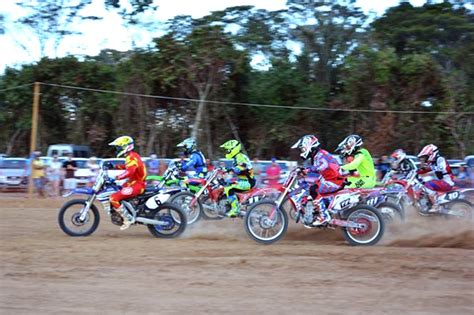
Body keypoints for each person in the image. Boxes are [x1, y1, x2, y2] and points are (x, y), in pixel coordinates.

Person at [291, 135, 344, 225]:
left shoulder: (320, 154)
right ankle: (315, 210)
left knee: (314, 189)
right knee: (308, 186)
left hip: (334, 181)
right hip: (330, 179)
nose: (302, 151)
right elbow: (319, 171)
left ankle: (323, 216)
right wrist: (304, 173)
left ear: (309, 145)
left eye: (303, 148)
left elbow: (323, 165)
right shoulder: (316, 155)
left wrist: (308, 170)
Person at [108, 136, 147, 230]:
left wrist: (117, 177)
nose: (117, 149)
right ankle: (128, 210)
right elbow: (127, 167)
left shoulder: (131, 157)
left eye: (118, 147)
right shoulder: (132, 155)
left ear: (125, 146)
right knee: (117, 189)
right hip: (133, 183)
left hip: (137, 185)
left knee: (113, 198)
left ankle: (127, 218)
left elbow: (130, 171)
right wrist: (115, 166)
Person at [219, 140, 255, 217]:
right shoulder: (237, 157)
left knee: (229, 187)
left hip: (247, 181)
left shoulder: (240, 157)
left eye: (228, 149)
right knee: (226, 182)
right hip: (242, 180)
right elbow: (234, 171)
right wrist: (224, 171)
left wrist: (230, 169)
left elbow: (242, 167)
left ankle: (235, 209)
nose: (227, 151)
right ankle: (229, 203)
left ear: (234, 149)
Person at [417, 144, 455, 213]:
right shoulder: (433, 162)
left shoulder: (440, 159)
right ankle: (428, 204)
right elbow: (425, 170)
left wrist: (428, 169)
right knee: (422, 184)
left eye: (426, 156)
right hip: (443, 181)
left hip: (447, 182)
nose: (425, 159)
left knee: (428, 185)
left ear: (431, 154)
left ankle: (436, 205)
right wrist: (417, 171)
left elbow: (441, 168)